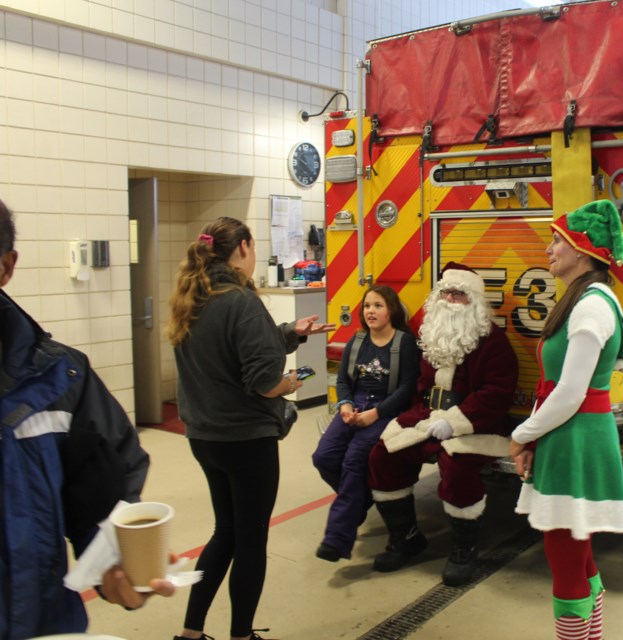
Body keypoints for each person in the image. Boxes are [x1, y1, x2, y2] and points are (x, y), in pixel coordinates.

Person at [0, 188, 174, 640]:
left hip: (47, 625)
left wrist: (114, 564)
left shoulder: (60, 380)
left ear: (5, 268)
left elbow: (101, 500)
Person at [167, 217, 333, 640]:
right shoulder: (241, 301)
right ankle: (241, 635)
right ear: (243, 246)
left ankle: (191, 632)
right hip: (245, 441)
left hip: (205, 437)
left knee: (225, 532)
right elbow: (262, 381)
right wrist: (291, 384)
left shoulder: (195, 298)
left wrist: (289, 333)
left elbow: (231, 350)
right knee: (250, 541)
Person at [509, 200, 623, 640]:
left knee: (566, 563)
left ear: (582, 250)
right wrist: (535, 438)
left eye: (557, 240)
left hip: (576, 437)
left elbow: (569, 393)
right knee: (576, 555)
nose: (549, 249)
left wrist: (522, 435)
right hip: (570, 436)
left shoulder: (592, 307)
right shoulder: (587, 299)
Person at [369, 262, 518, 587]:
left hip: (476, 423)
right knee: (383, 455)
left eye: (459, 294)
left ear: (475, 302)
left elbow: (496, 395)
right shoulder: (432, 335)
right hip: (427, 417)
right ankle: (405, 538)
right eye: (446, 292)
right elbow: (420, 386)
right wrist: (418, 417)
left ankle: (464, 549)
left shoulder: (493, 342)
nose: (451, 299)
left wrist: (454, 423)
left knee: (457, 468)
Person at [311, 285, 420, 562]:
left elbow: (406, 388)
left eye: (378, 305)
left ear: (391, 310)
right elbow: (343, 380)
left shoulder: (403, 343)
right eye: (367, 306)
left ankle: (336, 539)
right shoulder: (357, 341)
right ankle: (360, 499)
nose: (371, 311)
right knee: (324, 456)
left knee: (353, 461)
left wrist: (376, 413)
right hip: (354, 405)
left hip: (384, 410)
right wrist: (345, 405)